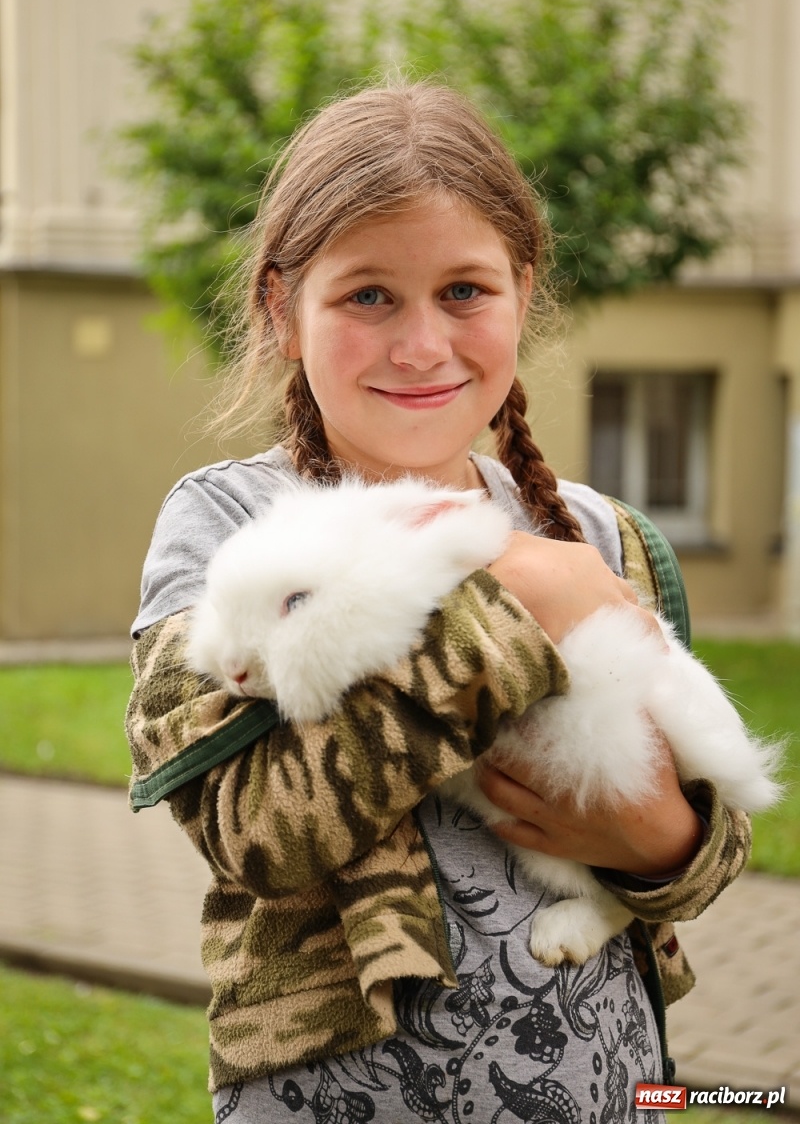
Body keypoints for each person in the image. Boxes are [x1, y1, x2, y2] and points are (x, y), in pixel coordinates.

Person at [125, 81, 751, 1124]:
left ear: (522, 292)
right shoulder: (229, 526)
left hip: (609, 1089)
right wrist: (519, 599)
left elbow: (711, 840)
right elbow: (256, 833)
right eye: (368, 296)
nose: (421, 346)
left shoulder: (602, 537)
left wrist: (652, 838)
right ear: (281, 309)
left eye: (463, 290)